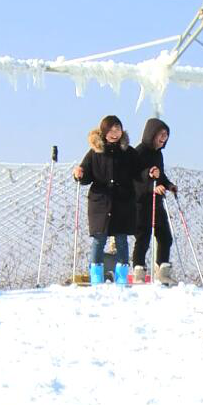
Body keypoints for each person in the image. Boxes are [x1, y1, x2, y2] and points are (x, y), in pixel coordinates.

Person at [72, 115, 140, 285]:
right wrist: (79, 174)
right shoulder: (95, 152)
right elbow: (85, 176)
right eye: (111, 130)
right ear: (104, 132)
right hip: (100, 202)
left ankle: (122, 274)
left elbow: (141, 171)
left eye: (118, 130)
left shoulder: (129, 152)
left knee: (121, 239)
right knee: (99, 238)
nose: (114, 134)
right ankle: (96, 273)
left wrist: (151, 173)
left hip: (122, 202)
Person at [132, 118, 178, 285]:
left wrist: (168, 185)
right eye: (161, 134)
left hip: (156, 203)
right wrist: (151, 184)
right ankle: (138, 273)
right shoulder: (139, 152)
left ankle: (163, 272)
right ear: (152, 134)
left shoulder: (158, 155)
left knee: (165, 236)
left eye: (166, 135)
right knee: (143, 238)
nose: (164, 138)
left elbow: (160, 176)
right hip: (142, 203)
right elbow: (135, 177)